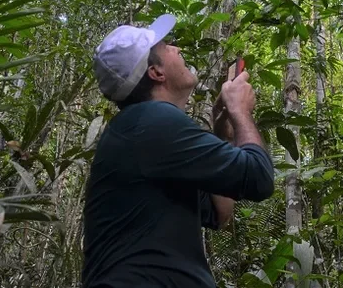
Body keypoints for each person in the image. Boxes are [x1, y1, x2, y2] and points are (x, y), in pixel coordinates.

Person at [82, 14, 274, 288]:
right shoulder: (152, 121)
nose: (176, 47)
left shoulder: (142, 128)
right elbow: (259, 178)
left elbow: (220, 213)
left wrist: (225, 132)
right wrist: (240, 111)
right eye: (166, 45)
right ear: (156, 73)